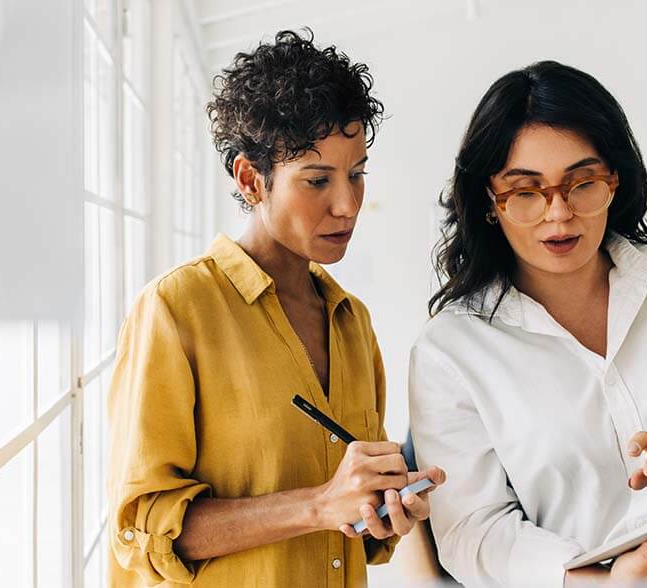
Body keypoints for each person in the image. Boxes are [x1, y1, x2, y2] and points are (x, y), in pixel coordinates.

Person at [409, 60, 647, 587]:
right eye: (526, 192)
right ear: (490, 202)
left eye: (582, 183)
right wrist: (608, 583)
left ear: (615, 180)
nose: (559, 214)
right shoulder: (451, 349)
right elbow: (473, 531)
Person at [107, 29, 444, 587]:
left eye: (356, 174)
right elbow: (144, 532)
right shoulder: (175, 309)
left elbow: (352, 523)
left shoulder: (352, 322)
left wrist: (384, 510)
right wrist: (319, 504)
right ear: (250, 180)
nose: (347, 204)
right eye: (317, 180)